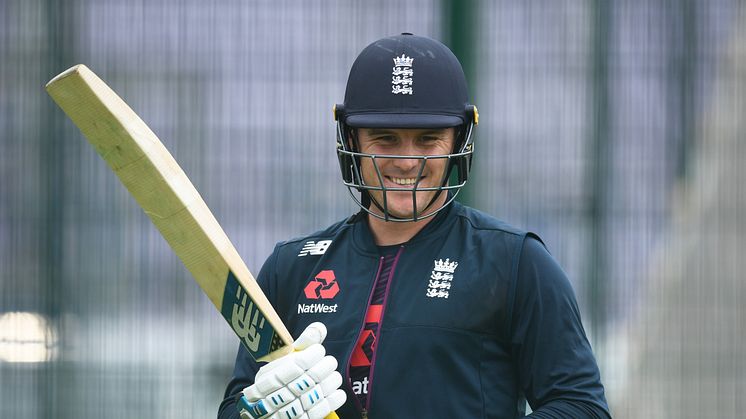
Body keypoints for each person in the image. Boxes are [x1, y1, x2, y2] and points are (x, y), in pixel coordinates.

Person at [218, 33, 610, 419]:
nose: (407, 162)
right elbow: (237, 402)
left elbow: (582, 406)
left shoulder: (515, 261)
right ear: (350, 137)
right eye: (385, 138)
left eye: (428, 138)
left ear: (459, 140)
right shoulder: (293, 267)